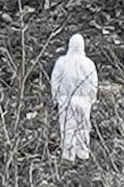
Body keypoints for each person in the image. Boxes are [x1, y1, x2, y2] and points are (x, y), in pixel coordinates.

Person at [51, 33, 99, 162]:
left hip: (66, 100)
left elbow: (55, 81)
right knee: (83, 127)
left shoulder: (61, 62)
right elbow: (93, 84)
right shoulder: (89, 63)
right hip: (84, 101)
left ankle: (68, 156)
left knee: (68, 128)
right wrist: (91, 99)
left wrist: (55, 99)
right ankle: (83, 155)